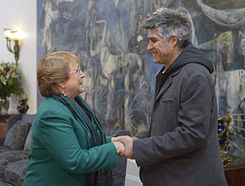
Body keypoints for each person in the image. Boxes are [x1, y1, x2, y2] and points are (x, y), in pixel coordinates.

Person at [113, 7, 227, 186]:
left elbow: (192, 135)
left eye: (153, 41)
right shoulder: (171, 72)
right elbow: (167, 127)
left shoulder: (194, 75)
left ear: (173, 40)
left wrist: (139, 148)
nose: (148, 47)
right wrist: (139, 140)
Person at [23, 51, 124, 186]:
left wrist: (113, 140)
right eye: (77, 71)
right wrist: (115, 147)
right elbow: (75, 160)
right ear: (60, 82)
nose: (83, 74)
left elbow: (83, 140)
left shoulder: (74, 103)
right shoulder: (52, 113)